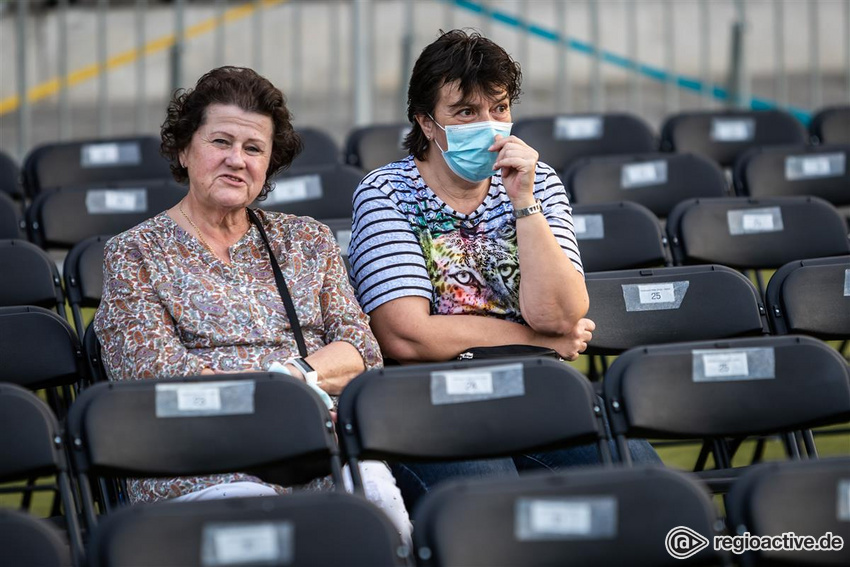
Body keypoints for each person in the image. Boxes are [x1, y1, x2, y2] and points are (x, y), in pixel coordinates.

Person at [94, 66, 410, 540]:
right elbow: (155, 378)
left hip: (309, 445)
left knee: (379, 505)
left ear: (269, 164)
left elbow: (360, 350)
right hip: (200, 457)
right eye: (221, 142)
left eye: (253, 148)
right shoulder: (134, 252)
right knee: (257, 516)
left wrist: (291, 377)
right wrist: (275, 397)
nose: (237, 160)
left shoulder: (307, 239)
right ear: (184, 149)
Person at [348, 30, 659, 511]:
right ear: (427, 123)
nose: (489, 126)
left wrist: (524, 202)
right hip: (434, 405)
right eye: (466, 112)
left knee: (644, 485)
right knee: (496, 508)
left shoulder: (538, 181)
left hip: (535, 395)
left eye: (499, 109)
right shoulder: (387, 192)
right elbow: (406, 337)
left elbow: (561, 314)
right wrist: (537, 344)